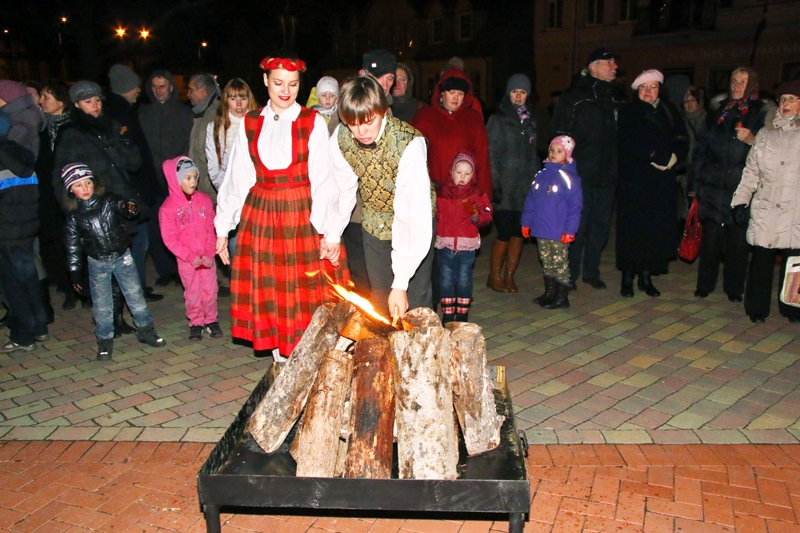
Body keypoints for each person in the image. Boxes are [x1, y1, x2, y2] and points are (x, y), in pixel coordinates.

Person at [214, 55, 348, 361]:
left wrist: (329, 231)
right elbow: (237, 178)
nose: (285, 90)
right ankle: (279, 356)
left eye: (293, 84)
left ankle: (307, 354)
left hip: (300, 213)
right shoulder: (250, 122)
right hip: (261, 215)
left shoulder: (312, 121)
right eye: (278, 83)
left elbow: (324, 180)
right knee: (270, 288)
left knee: (303, 289)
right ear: (265, 81)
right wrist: (223, 228)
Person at [327, 75, 435, 318]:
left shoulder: (409, 144)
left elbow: (412, 215)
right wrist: (333, 233)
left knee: (415, 308)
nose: (361, 131)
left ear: (383, 111)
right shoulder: (342, 138)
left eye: (368, 121)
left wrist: (401, 281)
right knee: (381, 305)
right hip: (374, 223)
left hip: (414, 226)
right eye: (353, 123)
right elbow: (343, 188)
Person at [52, 80, 144, 336]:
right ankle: (109, 318)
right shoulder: (72, 134)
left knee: (123, 263)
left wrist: (124, 142)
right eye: (88, 101)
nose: (94, 105)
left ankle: (121, 314)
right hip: (92, 210)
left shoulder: (112, 127)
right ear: (77, 104)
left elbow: (134, 163)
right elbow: (61, 177)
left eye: (97, 100)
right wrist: (73, 209)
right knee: (102, 270)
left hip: (117, 207)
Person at [62, 163, 166, 360]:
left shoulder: (108, 201)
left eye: (88, 182)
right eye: (78, 185)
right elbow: (72, 249)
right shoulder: (74, 218)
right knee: (102, 305)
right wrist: (75, 273)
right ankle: (104, 340)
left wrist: (129, 207)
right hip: (97, 262)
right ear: (70, 190)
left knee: (135, 296)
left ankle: (146, 330)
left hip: (122, 257)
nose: (85, 188)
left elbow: (125, 207)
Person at [689, 67, 767, 301]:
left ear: (752, 85)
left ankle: (734, 289)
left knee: (737, 243)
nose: (736, 85)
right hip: (713, 186)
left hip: (741, 188)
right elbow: (701, 150)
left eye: (742, 82)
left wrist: (752, 140)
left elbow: (771, 152)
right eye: (733, 81)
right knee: (711, 239)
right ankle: (705, 285)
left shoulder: (761, 113)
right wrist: (695, 184)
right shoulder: (717, 113)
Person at [551, 48, 624, 290]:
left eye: (614, 62)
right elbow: (560, 134)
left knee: (601, 226)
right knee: (578, 226)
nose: (614, 65)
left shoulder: (617, 96)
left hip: (609, 173)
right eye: (609, 61)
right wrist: (562, 169)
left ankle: (591, 271)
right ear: (593, 66)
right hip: (581, 174)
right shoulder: (575, 96)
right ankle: (570, 273)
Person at [731, 80, 800, 323]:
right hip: (767, 208)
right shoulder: (765, 133)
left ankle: (792, 306)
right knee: (761, 260)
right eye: (783, 99)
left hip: (795, 210)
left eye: (792, 99)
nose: (786, 104)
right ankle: (757, 309)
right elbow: (751, 171)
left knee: (794, 263)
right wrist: (740, 201)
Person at [616, 70, 689, 298]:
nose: (649, 91)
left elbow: (682, 137)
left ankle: (646, 276)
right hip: (636, 179)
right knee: (633, 230)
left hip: (661, 180)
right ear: (637, 90)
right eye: (644, 87)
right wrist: (654, 156)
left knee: (654, 229)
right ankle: (627, 277)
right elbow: (627, 141)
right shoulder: (628, 111)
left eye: (653, 87)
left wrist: (676, 156)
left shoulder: (669, 110)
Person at [104, 64, 163, 303]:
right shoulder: (121, 113)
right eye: (135, 85)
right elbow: (130, 157)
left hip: (134, 188)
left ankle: (137, 286)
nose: (140, 89)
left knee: (138, 242)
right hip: (133, 190)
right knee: (137, 242)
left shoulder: (122, 109)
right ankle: (135, 289)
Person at [139, 69, 194, 287]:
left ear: (171, 87)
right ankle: (165, 269)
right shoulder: (144, 113)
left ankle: (184, 268)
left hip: (178, 179)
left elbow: (189, 144)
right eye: (155, 86)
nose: (159, 90)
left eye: (163, 85)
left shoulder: (183, 112)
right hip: (153, 178)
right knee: (157, 225)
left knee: (182, 226)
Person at [0, 108, 49, 353]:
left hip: (5, 232)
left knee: (12, 286)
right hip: (28, 227)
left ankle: (23, 334)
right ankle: (40, 326)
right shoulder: (22, 153)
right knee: (29, 278)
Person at [486, 73, 539, 293]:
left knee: (520, 232)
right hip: (505, 187)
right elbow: (491, 153)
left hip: (524, 187)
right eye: (515, 91)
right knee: (505, 231)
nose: (518, 96)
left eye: (523, 92)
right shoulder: (498, 119)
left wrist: (535, 184)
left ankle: (510, 275)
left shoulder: (531, 121)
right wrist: (495, 184)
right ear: (509, 93)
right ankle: (494, 275)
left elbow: (534, 154)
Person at [159, 157, 222, 339]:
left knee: (210, 290)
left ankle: (211, 320)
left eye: (195, 177)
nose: (193, 181)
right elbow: (169, 239)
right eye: (187, 178)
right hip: (188, 261)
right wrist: (189, 256)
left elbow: (211, 228)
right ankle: (196, 322)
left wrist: (210, 253)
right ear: (175, 179)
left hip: (207, 258)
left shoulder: (204, 200)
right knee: (193, 292)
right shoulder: (168, 208)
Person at [521, 136, 582, 310]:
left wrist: (570, 230)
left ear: (567, 154)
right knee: (546, 262)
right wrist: (526, 222)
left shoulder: (568, 177)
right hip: (541, 228)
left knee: (559, 264)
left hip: (558, 231)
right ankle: (549, 293)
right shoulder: (541, 175)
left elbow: (575, 207)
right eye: (552, 150)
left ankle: (562, 297)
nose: (554, 154)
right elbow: (531, 201)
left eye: (559, 151)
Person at [411, 67, 491, 197]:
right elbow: (410, 151)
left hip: (466, 191)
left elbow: (482, 158)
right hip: (434, 190)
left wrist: (483, 196)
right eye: (452, 92)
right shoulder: (425, 117)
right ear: (442, 93)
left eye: (460, 93)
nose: (456, 97)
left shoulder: (473, 119)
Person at [435, 152, 492, 322]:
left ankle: (462, 311)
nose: (462, 177)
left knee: (464, 279)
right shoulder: (442, 194)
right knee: (446, 279)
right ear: (451, 172)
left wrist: (475, 213)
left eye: (467, 173)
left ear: (473, 175)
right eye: (459, 172)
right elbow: (434, 213)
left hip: (466, 245)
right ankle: (447, 310)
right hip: (445, 243)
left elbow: (487, 215)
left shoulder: (477, 195)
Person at [35, 80, 76, 310]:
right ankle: (65, 285)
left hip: (69, 192)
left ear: (60, 101)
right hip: (47, 194)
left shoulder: (72, 127)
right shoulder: (40, 127)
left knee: (71, 242)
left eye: (46, 96)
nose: (41, 101)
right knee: (54, 243)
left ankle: (78, 287)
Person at [206, 78, 257, 261]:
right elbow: (214, 169)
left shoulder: (258, 124)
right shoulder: (215, 129)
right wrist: (230, 191)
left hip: (257, 197)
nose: (238, 103)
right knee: (236, 248)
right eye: (233, 98)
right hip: (231, 198)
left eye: (242, 98)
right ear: (226, 100)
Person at [187, 73, 221, 204]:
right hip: (202, 191)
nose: (188, 94)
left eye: (191, 89)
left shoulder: (215, 116)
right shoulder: (200, 114)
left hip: (212, 194)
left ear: (202, 91)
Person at [677, 86, 707, 221]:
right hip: (686, 171)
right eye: (685, 101)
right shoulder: (680, 122)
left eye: (692, 100)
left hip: (704, 171)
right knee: (687, 203)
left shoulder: (709, 120)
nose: (689, 104)